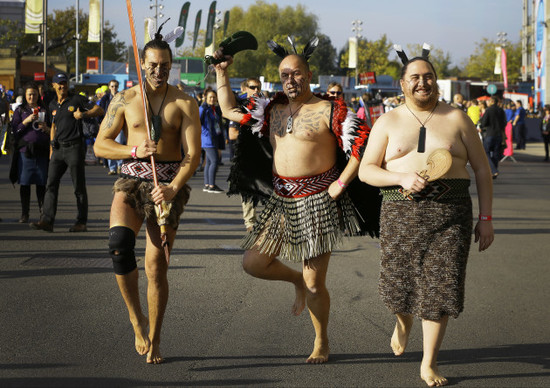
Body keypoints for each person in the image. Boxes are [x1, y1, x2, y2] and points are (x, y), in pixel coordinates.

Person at [213, 38, 379, 364]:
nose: (291, 79)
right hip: (280, 201)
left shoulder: (331, 109)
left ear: (309, 74)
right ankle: (295, 280)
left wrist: (342, 182)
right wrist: (221, 73)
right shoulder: (271, 108)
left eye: (297, 73)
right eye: (285, 74)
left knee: (316, 283)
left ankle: (321, 341)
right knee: (253, 263)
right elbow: (227, 109)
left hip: (318, 202)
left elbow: (363, 146)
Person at [358, 47, 494, 387]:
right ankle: (402, 320)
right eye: (415, 78)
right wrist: (401, 177)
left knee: (441, 289)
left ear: (436, 82)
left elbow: (481, 169)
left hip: (451, 217)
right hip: (400, 214)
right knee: (399, 285)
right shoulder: (387, 121)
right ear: (402, 84)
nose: (423, 82)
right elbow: (366, 171)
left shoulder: (457, 118)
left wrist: (487, 218)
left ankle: (428, 362)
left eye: (428, 77)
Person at [93, 28, 201, 364]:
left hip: (166, 187)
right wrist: (133, 149)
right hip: (131, 181)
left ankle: (155, 336)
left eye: (165, 66)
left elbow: (193, 155)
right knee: (118, 245)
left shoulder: (184, 102)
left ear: (172, 65)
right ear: (142, 64)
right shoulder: (124, 100)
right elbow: (100, 144)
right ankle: (135, 317)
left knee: (156, 269)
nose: (159, 71)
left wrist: (173, 187)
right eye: (153, 65)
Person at [30, 72, 104, 233]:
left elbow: (99, 110)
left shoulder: (76, 99)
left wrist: (83, 114)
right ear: (54, 86)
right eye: (59, 83)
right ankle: (47, 221)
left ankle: (81, 222)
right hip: (58, 149)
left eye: (64, 83)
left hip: (74, 148)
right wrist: (51, 147)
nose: (62, 86)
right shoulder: (52, 105)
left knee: (78, 186)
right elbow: (53, 126)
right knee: (50, 184)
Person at [9, 82, 51, 223]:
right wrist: (26, 121)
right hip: (25, 151)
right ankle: (24, 214)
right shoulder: (20, 111)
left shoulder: (44, 109)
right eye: (29, 95)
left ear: (38, 95)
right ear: (25, 96)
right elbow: (15, 131)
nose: (32, 97)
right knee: (25, 184)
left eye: (34, 94)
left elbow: (53, 129)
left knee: (41, 184)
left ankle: (42, 214)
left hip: (42, 151)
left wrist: (47, 129)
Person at [199, 89, 224, 193]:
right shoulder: (203, 108)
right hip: (207, 139)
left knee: (209, 162)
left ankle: (207, 184)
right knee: (214, 161)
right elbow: (198, 122)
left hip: (214, 138)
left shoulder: (214, 109)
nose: (212, 99)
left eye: (214, 97)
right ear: (206, 98)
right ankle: (212, 185)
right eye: (210, 97)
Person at [99, 79, 125, 175]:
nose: (114, 88)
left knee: (118, 145)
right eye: (112, 86)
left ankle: (119, 165)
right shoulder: (105, 98)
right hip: (108, 125)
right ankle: (112, 168)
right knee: (109, 145)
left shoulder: (121, 96)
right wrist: (100, 123)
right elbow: (101, 111)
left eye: (116, 86)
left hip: (119, 124)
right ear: (109, 87)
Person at [479, 96, 507, 178]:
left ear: (491, 102)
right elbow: (504, 122)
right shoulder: (501, 110)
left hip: (490, 133)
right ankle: (493, 172)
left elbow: (484, 122)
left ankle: (493, 170)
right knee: (496, 153)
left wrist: (481, 126)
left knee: (485, 152)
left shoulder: (489, 110)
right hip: (499, 134)